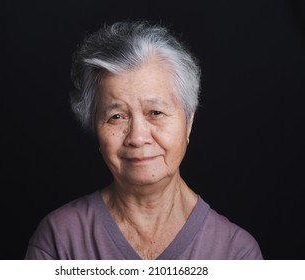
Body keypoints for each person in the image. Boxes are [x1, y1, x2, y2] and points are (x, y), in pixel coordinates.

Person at [25, 21, 263, 260]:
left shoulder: (235, 253)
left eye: (155, 113)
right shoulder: (60, 239)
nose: (137, 138)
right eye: (116, 116)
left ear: (188, 122)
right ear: (96, 129)